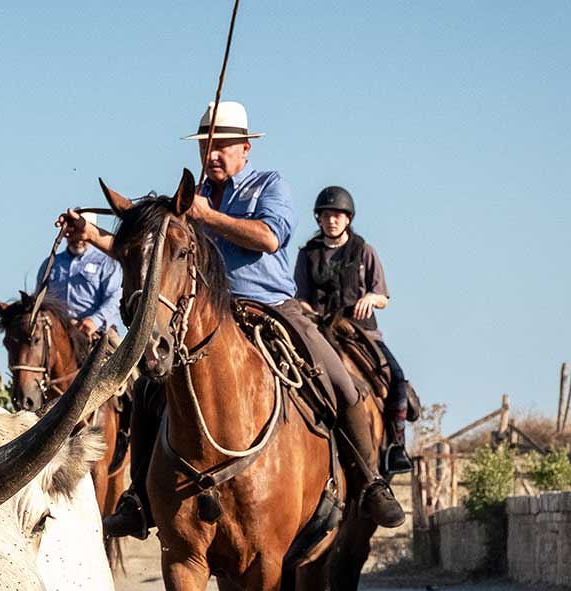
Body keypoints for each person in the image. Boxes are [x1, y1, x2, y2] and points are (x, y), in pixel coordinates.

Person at [78, 100, 406, 537]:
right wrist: (92, 235)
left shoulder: (269, 185)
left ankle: (369, 482)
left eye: (223, 146)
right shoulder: (187, 202)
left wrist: (209, 216)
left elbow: (270, 238)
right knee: (147, 391)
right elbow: (149, 251)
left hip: (272, 305)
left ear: (246, 149)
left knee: (340, 383)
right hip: (207, 315)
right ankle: (139, 499)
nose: (212, 154)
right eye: (206, 146)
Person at [296, 185, 413, 474]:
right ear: (318, 219)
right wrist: (309, 312)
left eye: (337, 215)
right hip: (319, 331)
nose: (331, 220)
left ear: (348, 218)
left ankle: (397, 447)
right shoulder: (307, 254)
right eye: (325, 215)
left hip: (360, 331)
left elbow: (383, 296)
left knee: (397, 379)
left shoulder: (364, 251)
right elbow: (298, 297)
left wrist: (371, 298)